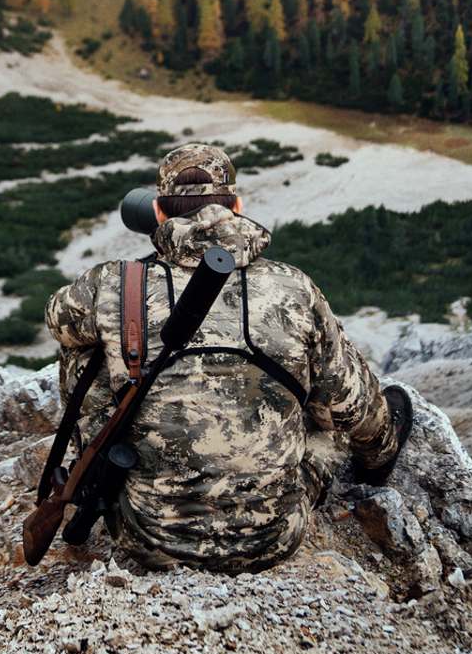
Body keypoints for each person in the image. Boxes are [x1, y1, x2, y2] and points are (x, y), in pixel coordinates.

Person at [44, 142, 411, 572]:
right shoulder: (293, 287)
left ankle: (100, 468)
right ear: (236, 206)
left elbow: (57, 318)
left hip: (146, 535)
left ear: (159, 214)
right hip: (273, 537)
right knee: (323, 388)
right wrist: (378, 457)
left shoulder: (112, 283)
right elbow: (354, 403)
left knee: (80, 347)